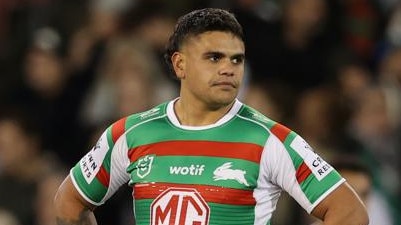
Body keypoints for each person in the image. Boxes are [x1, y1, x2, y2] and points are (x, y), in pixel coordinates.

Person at [54, 8, 369, 225]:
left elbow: (349, 212)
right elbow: (70, 203)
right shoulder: (131, 133)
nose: (228, 68)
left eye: (237, 59)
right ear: (180, 65)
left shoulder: (270, 140)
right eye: (214, 57)